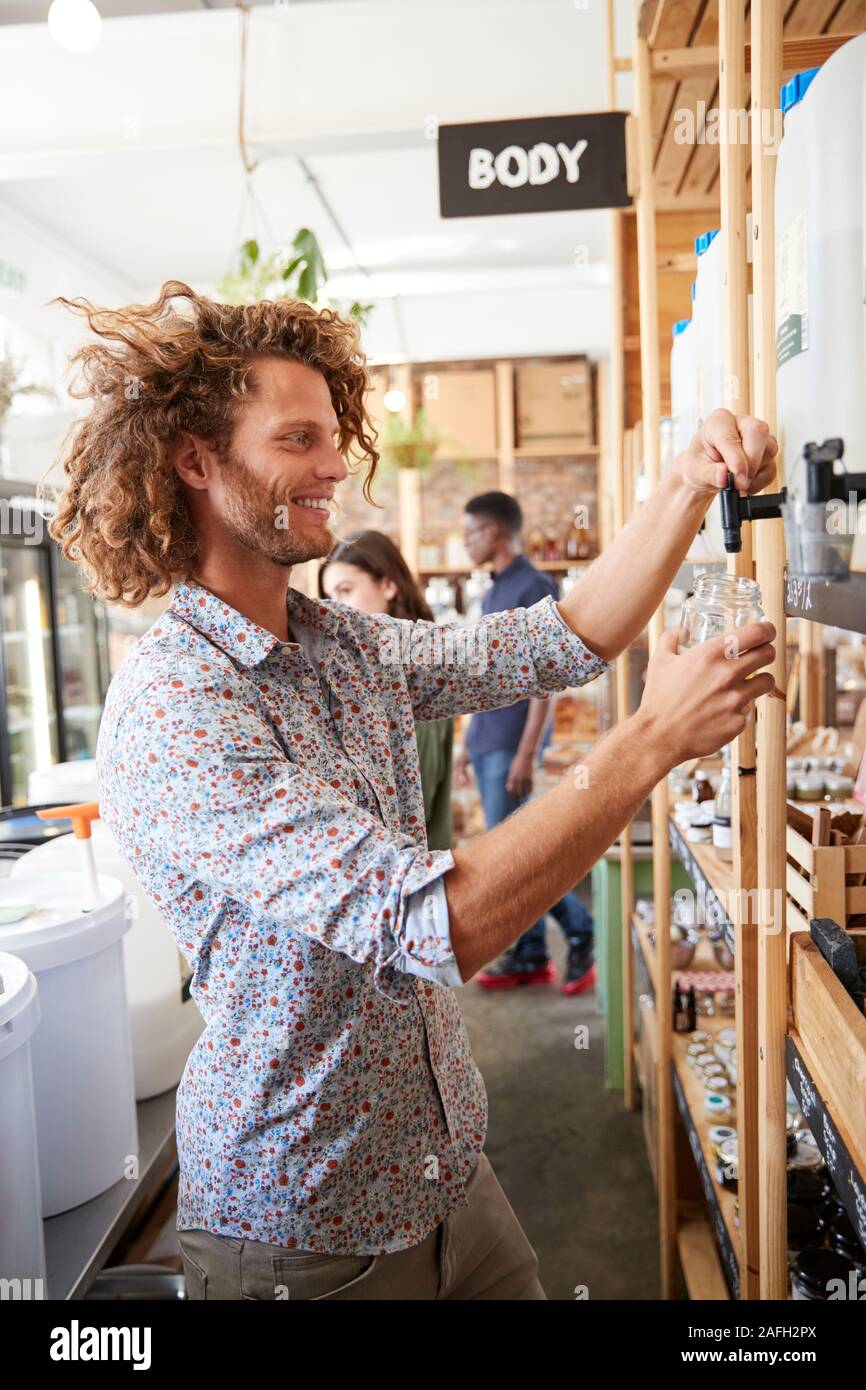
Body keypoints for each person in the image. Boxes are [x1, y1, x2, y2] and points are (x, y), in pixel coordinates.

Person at [48, 281, 777, 1301]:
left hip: (445, 1179)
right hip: (303, 1232)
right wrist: (647, 736)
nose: (336, 464)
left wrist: (684, 485)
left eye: (332, 434)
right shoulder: (177, 707)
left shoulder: (338, 641)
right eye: (298, 439)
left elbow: (557, 638)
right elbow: (434, 921)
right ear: (196, 462)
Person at [456, 491, 597, 995]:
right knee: (514, 857)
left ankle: (583, 933)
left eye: (470, 531)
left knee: (518, 862)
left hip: (510, 746)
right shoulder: (493, 588)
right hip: (488, 740)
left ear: (493, 532)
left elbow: (546, 679)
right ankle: (532, 954)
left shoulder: (531, 584)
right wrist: (464, 746)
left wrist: (524, 754)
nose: (465, 541)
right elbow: (486, 675)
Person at [319, 529, 453, 852]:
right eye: (329, 597)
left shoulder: (412, 670)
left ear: (388, 584)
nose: (335, 609)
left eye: (346, 591)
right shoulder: (366, 670)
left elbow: (413, 799)